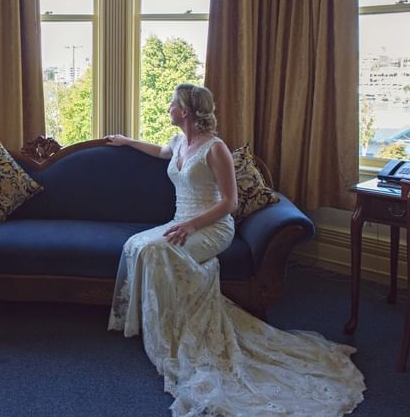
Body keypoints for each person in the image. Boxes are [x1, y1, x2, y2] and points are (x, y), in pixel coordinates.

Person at [106, 83, 365, 417]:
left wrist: (193, 225)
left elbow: (229, 202)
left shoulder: (216, 149)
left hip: (211, 227)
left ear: (185, 111)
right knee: (136, 244)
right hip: (180, 222)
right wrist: (127, 141)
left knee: (158, 252)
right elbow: (159, 152)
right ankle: (154, 323)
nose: (168, 108)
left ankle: (178, 331)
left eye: (172, 104)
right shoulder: (178, 142)